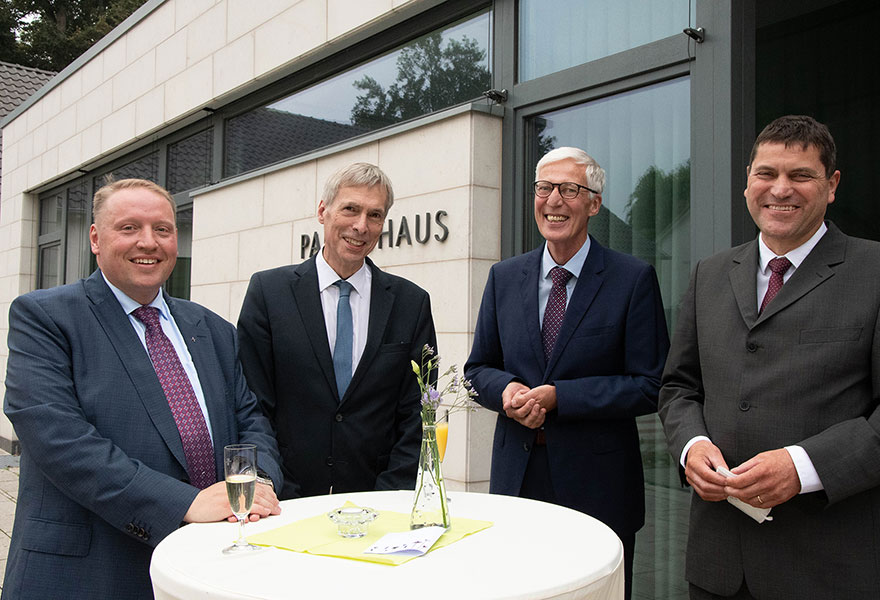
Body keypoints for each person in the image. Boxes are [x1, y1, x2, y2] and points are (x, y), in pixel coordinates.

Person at [2, 179, 283, 600]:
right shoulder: (45, 318)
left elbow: (251, 418)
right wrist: (183, 505)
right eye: (129, 228)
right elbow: (59, 440)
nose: (148, 242)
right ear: (96, 238)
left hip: (210, 563)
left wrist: (253, 488)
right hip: (92, 570)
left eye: (163, 230)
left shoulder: (213, 329)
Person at [659, 115, 880, 599]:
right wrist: (691, 446)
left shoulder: (874, 271)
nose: (781, 189)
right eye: (766, 174)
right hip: (718, 563)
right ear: (747, 183)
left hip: (827, 567)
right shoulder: (710, 274)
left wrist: (804, 467)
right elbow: (679, 387)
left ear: (832, 184)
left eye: (800, 175)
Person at [465, 147, 670, 600]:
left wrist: (562, 397)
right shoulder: (504, 277)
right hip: (517, 478)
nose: (553, 200)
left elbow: (651, 385)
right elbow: (477, 369)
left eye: (569, 189)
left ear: (594, 203)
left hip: (598, 483)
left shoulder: (632, 279)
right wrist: (508, 392)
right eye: (544, 188)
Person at [238, 162, 436, 499]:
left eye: (374, 215)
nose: (361, 226)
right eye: (350, 209)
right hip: (285, 500)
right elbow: (253, 404)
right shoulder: (268, 293)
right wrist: (274, 487)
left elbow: (418, 415)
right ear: (322, 211)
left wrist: (387, 497)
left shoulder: (411, 303)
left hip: (377, 502)